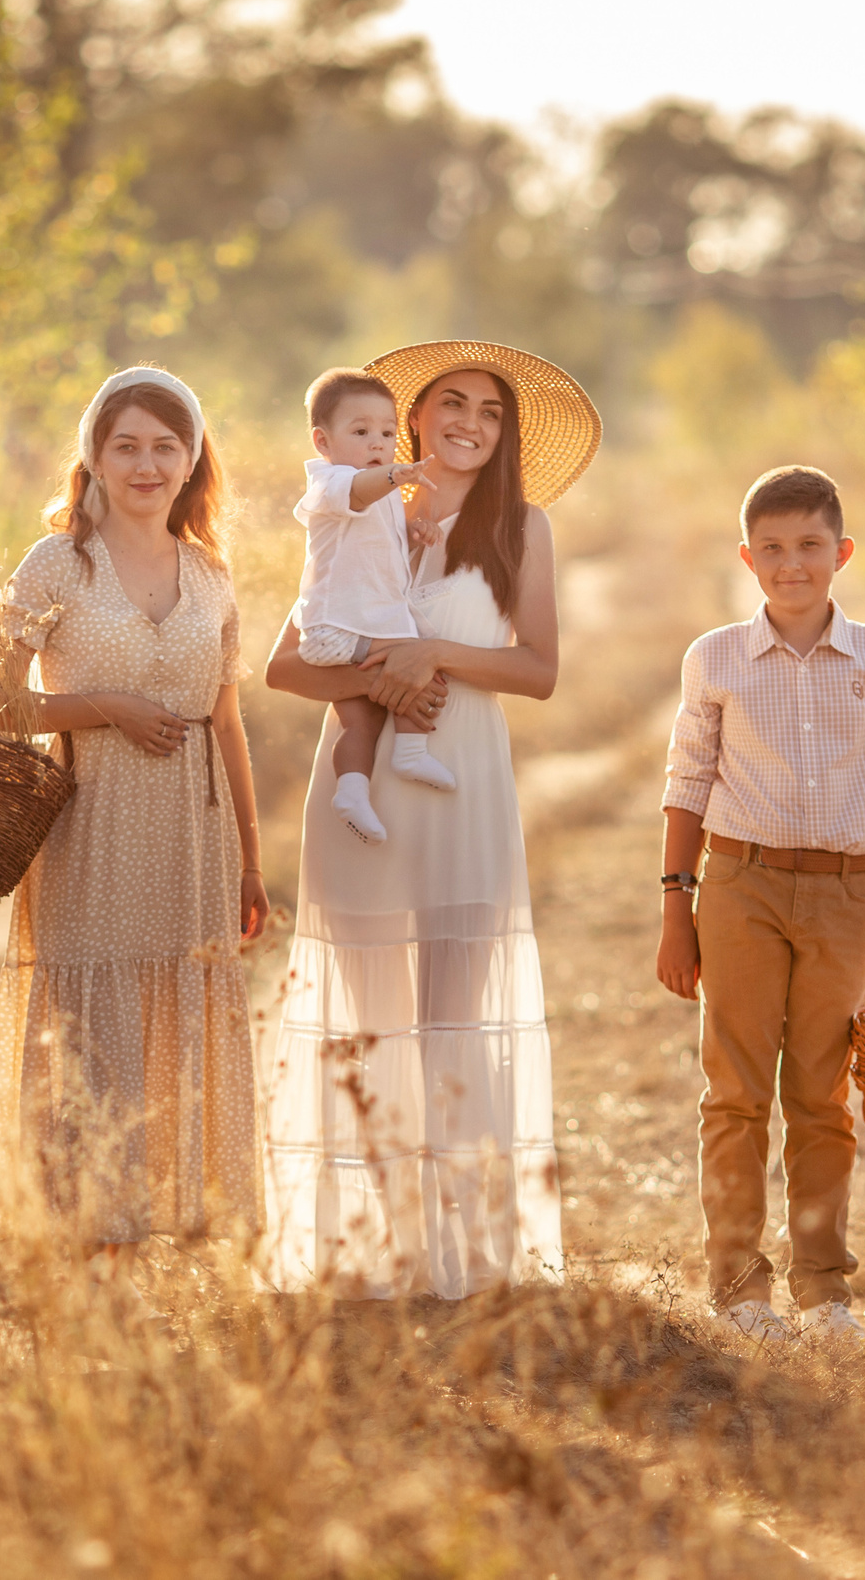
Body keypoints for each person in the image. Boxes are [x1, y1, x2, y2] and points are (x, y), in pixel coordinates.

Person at [262, 340, 600, 1299]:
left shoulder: (522, 529)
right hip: (363, 780)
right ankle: (381, 1246)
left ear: (506, 435)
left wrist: (434, 655)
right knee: (372, 1020)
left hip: (464, 776)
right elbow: (286, 668)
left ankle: (464, 1250)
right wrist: (383, 675)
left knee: (453, 1014)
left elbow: (538, 670)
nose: (470, 422)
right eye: (453, 402)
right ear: (414, 417)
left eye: (491, 413)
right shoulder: (354, 510)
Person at [654, 464, 865, 1346]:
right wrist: (678, 907)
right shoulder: (713, 656)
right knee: (737, 1092)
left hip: (841, 891)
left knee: (824, 1095)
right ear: (748, 558)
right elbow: (687, 781)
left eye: (812, 547)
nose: (794, 565)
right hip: (739, 884)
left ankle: (824, 1290)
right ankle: (741, 1290)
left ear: (843, 552)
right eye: (776, 549)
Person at [0, 366, 269, 1251]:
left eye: (165, 447)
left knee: (179, 1017)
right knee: (88, 1023)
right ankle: (85, 1236)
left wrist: (253, 857)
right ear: (94, 458)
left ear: (190, 461)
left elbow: (227, 716)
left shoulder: (211, 571)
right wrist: (105, 707)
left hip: (193, 828)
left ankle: (170, 1221)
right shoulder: (55, 563)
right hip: (87, 825)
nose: (147, 464)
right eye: (127, 446)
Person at [290, 367, 453, 845]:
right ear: (323, 441)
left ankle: (352, 790)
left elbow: (382, 539)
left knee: (359, 719)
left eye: (387, 433)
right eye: (361, 433)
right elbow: (358, 494)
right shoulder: (330, 481)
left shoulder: (381, 493)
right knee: (416, 659)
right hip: (335, 630)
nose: (378, 443)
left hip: (352, 628)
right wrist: (395, 475)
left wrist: (414, 532)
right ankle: (410, 749)